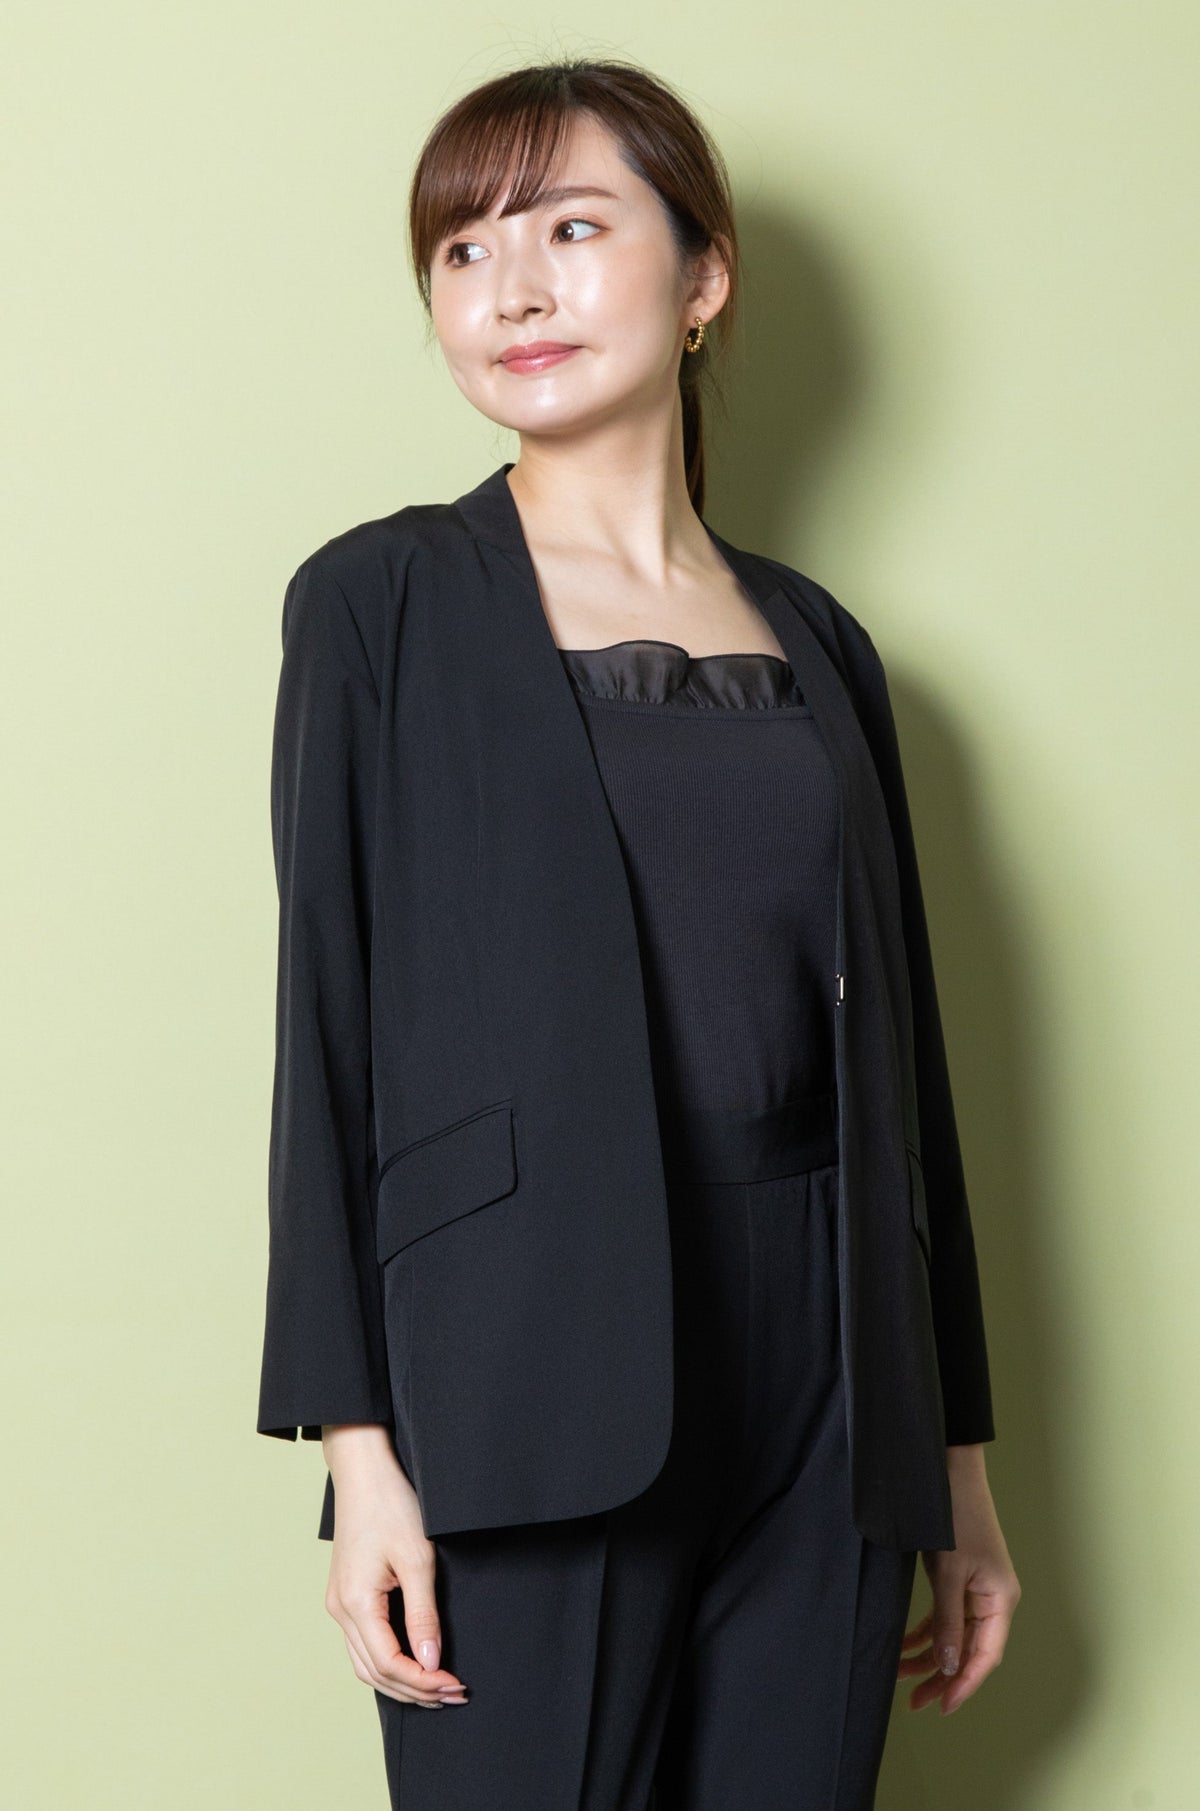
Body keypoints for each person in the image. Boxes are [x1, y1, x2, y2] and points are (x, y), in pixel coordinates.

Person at [257, 55, 1020, 1810]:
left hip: (831, 1396)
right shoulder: (381, 603)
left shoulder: (820, 640)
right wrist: (360, 1456)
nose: (511, 290)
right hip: (523, 1368)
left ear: (705, 276)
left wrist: (953, 1462)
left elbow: (905, 1073)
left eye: (572, 229)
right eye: (463, 251)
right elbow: (327, 1034)